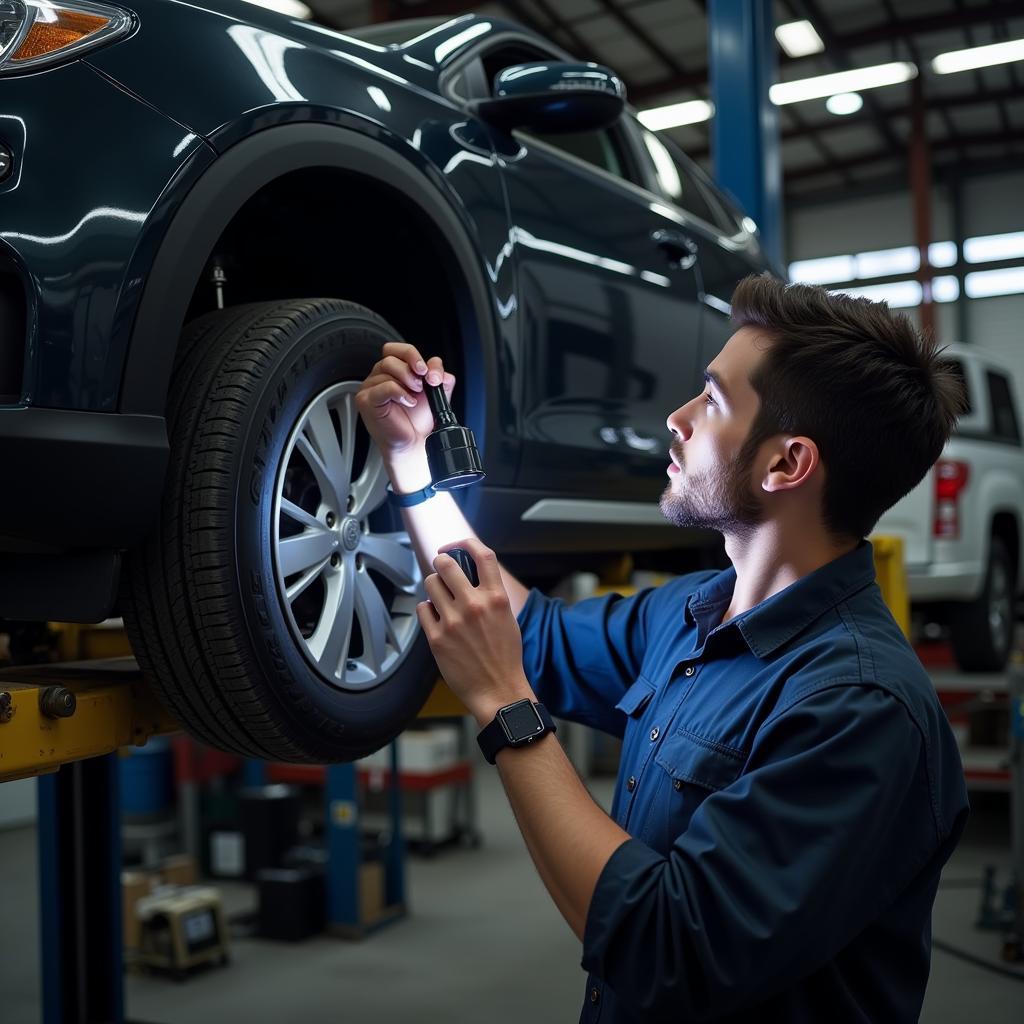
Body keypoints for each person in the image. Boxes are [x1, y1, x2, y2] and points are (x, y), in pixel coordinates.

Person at [356, 273, 970, 1023]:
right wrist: (412, 468)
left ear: (787, 464)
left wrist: (506, 708)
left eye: (711, 401)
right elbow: (530, 632)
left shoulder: (860, 710)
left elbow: (667, 948)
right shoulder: (687, 613)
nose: (676, 419)